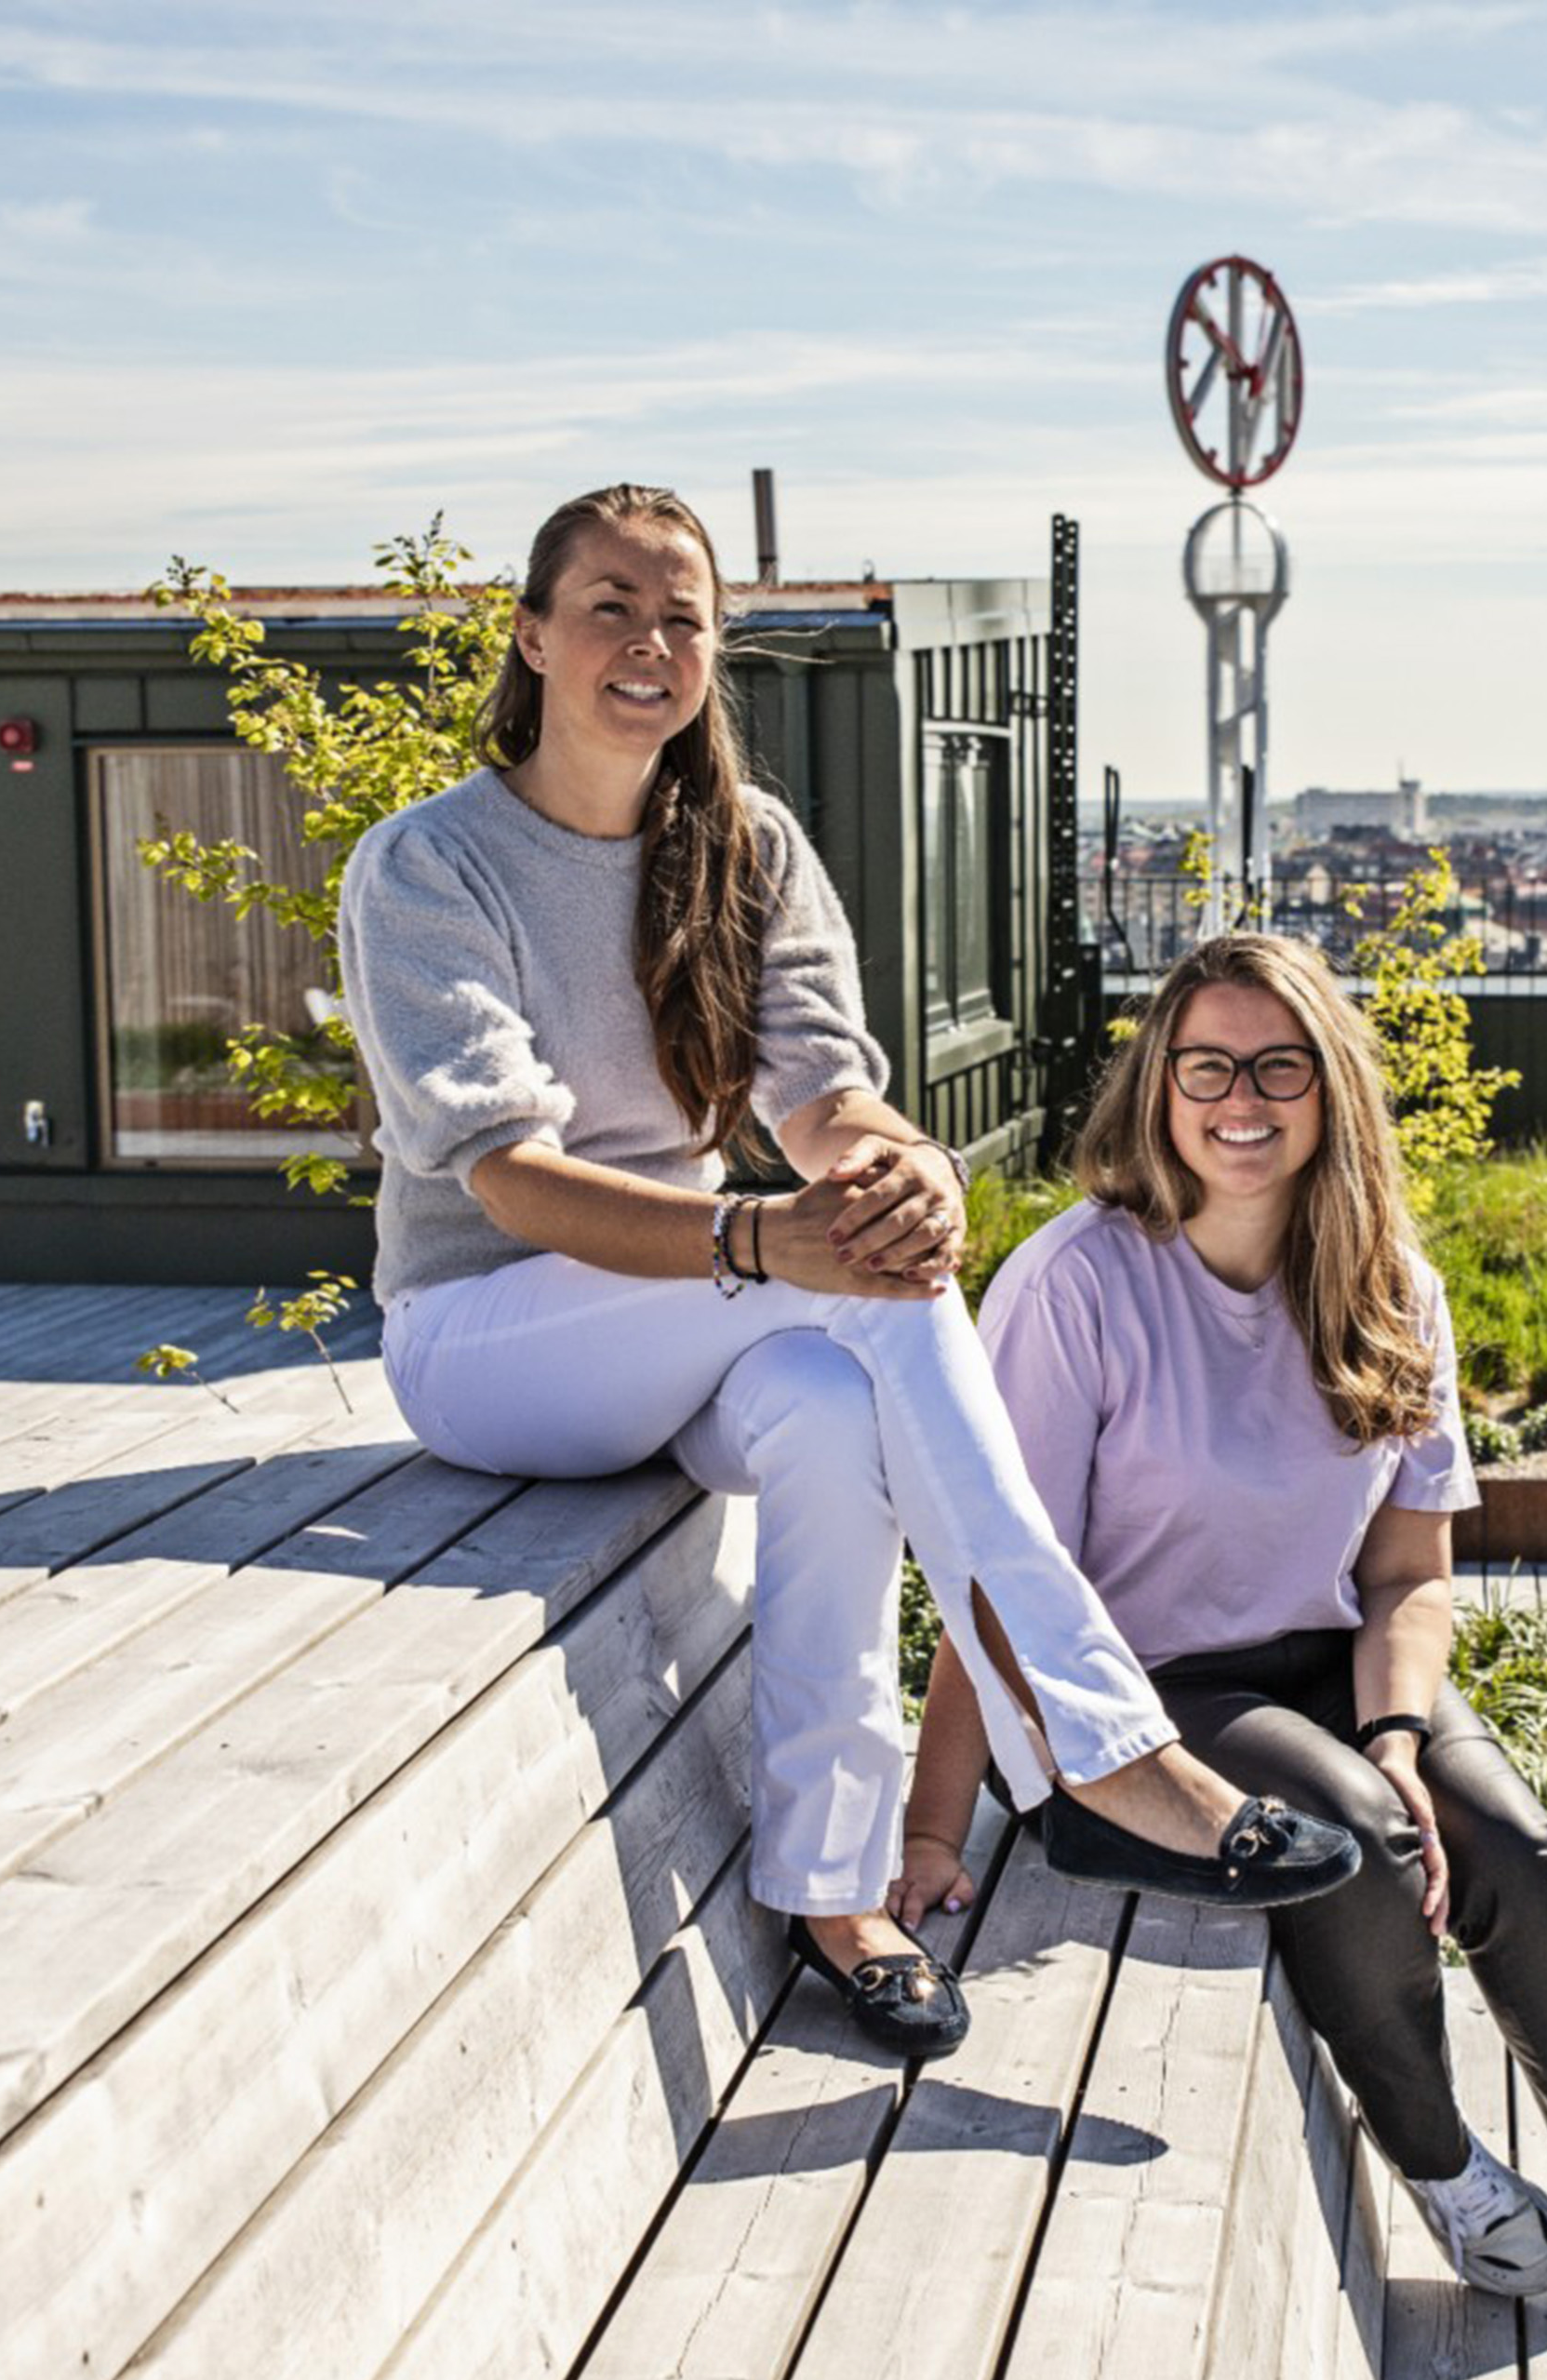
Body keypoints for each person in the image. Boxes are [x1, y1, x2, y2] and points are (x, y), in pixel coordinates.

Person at [340, 486, 1358, 2069]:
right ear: (532, 637)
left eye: (684, 617)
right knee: (839, 1294)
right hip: (488, 1340)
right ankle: (1097, 1746)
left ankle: (834, 1890)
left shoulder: (747, 850)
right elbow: (509, 1181)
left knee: (826, 1400)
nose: (650, 644)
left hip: (680, 1342)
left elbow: (820, 1097)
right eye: (610, 606)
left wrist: (907, 1170)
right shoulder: (429, 866)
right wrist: (763, 1236)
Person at [893, 933, 1547, 2337]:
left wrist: (1405, 1729)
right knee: (1354, 1835)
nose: (1244, 1098)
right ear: (1159, 1090)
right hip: (1132, 1703)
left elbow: (1411, 1566)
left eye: (1280, 1066)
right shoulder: (1074, 1287)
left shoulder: (1388, 1284)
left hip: (1324, 1661)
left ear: (1330, 1088)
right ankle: (1442, 2162)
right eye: (1209, 1066)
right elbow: (995, 1586)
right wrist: (939, 1832)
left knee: (1508, 1840)